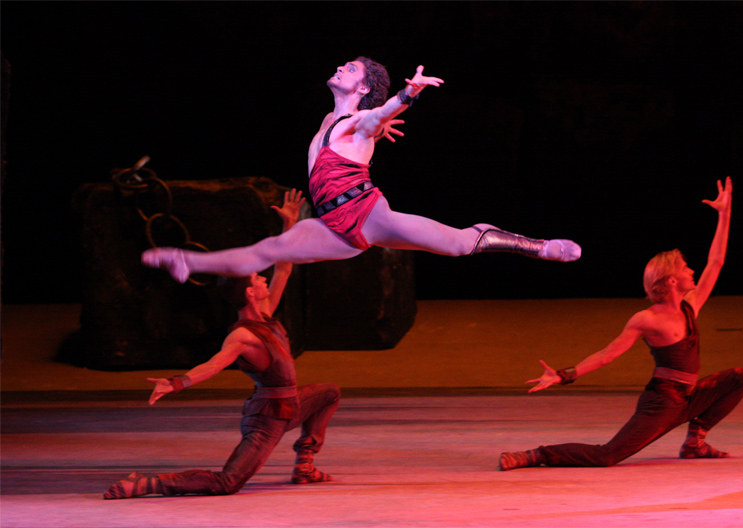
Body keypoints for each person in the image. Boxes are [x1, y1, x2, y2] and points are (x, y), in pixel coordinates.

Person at [141, 57, 581, 283]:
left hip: (369, 214)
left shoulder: (357, 121)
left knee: (460, 245)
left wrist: (408, 95)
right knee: (267, 252)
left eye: (349, 68)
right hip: (333, 224)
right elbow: (369, 127)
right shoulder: (329, 122)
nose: (339, 67)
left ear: (363, 87)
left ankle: (535, 247)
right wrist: (376, 128)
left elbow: (372, 119)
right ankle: (187, 261)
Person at [104, 189, 341, 499]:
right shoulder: (243, 335)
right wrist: (177, 383)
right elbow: (214, 365)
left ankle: (304, 465)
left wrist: (289, 226)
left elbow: (284, 266)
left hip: (290, 406)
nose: (263, 279)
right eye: (257, 278)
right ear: (249, 293)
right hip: (266, 420)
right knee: (227, 483)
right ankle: (145, 484)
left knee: (329, 393)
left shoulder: (266, 313)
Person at [499, 177, 743, 470]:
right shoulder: (647, 319)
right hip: (663, 403)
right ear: (671, 280)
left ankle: (695, 442)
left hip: (690, 397)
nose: (692, 270)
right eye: (685, 268)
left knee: (738, 378)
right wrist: (563, 375)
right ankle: (536, 455)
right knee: (607, 455)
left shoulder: (690, 306)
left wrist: (724, 214)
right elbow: (608, 354)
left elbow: (716, 262)